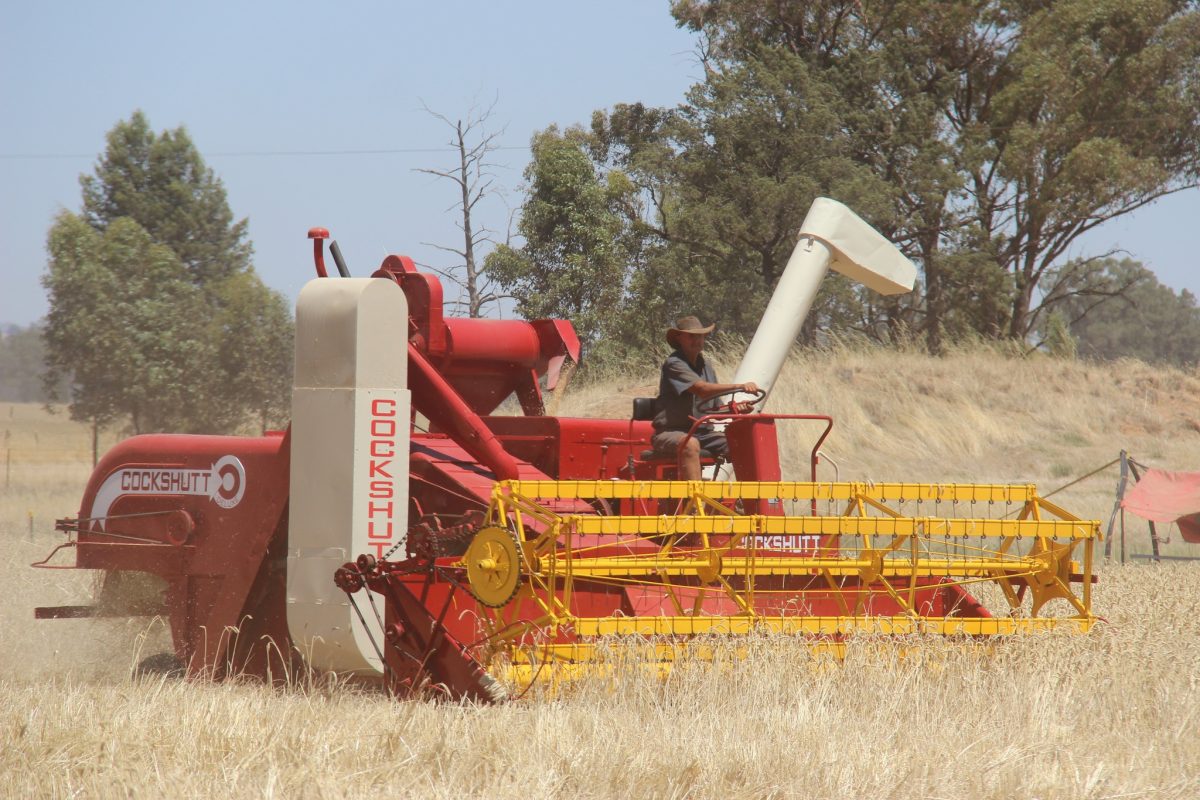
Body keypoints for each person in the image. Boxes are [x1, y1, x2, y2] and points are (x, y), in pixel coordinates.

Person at [651, 316, 760, 480]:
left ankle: (753, 500)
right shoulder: (674, 363)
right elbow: (702, 390)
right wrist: (740, 386)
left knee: (743, 443)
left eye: (700, 336)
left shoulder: (706, 366)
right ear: (679, 339)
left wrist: (736, 409)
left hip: (703, 433)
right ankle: (696, 504)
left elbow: (715, 408)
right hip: (671, 433)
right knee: (690, 444)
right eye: (691, 336)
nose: (697, 340)